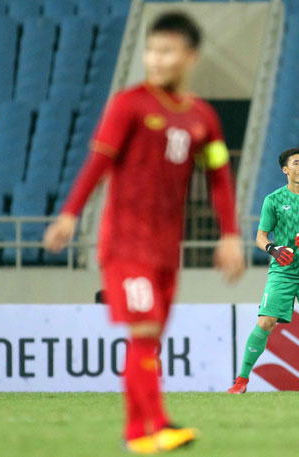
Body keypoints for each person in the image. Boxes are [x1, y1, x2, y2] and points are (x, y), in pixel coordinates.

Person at [43, 12, 245, 454]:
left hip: (165, 249)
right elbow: (99, 161)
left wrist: (230, 234)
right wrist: (70, 214)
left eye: (166, 50)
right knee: (147, 330)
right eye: (151, 50)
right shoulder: (128, 104)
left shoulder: (203, 118)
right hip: (124, 244)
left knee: (148, 338)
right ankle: (159, 424)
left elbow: (218, 176)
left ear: (189, 57)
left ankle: (137, 435)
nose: (155, 59)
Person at [227, 148, 299, 395]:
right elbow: (260, 237)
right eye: (297, 163)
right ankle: (241, 381)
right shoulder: (273, 200)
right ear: (285, 170)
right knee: (266, 321)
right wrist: (273, 249)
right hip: (282, 273)